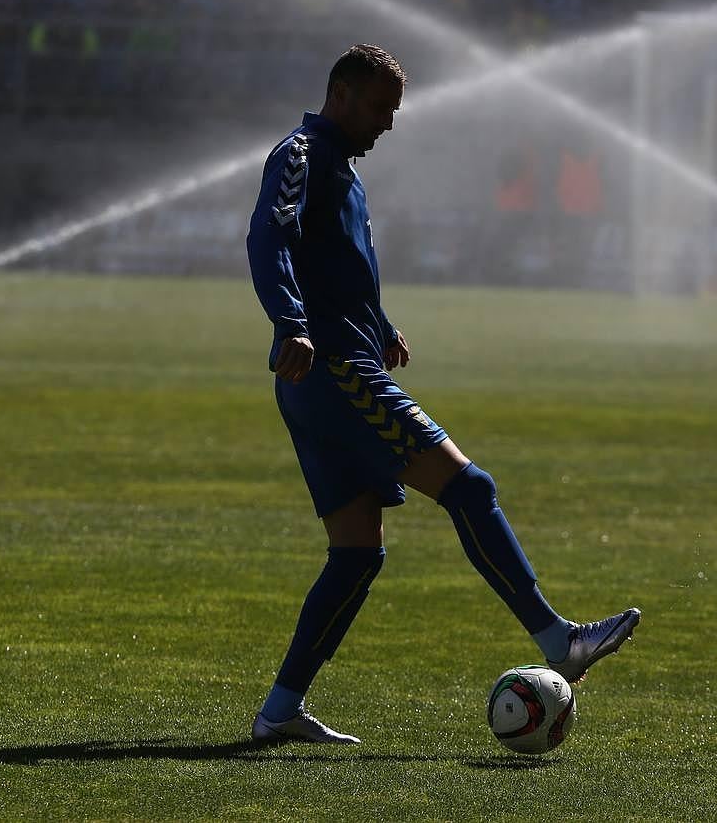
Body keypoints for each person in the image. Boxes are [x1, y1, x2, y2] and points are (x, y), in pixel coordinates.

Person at [245, 44, 640, 745]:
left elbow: (334, 267)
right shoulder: (302, 153)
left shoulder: (341, 169)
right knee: (470, 488)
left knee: (357, 553)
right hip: (335, 373)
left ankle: (280, 711)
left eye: (394, 111)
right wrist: (293, 324)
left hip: (331, 372)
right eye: (378, 108)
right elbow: (267, 241)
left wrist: (382, 325)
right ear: (339, 93)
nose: (387, 124)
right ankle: (558, 641)